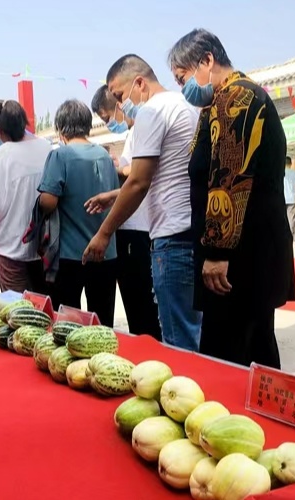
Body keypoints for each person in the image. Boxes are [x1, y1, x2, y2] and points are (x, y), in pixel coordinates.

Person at [168, 28, 295, 369]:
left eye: (182, 78)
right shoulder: (221, 102)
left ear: (207, 61)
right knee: (255, 351)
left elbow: (228, 178)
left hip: (239, 256)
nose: (183, 89)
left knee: (230, 354)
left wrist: (216, 252)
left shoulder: (236, 99)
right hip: (247, 251)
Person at [83, 54, 202, 349]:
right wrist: (113, 195)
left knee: (178, 340)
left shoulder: (152, 112)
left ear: (139, 83)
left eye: (120, 96)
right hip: (195, 232)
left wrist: (104, 233)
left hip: (171, 238)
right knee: (196, 332)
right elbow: (165, 174)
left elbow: (138, 181)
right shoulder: (188, 105)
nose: (121, 106)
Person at [87, 85, 161, 340]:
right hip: (139, 230)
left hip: (137, 231)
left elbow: (139, 178)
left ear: (118, 103)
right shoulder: (133, 131)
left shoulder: (143, 126)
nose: (109, 124)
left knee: (143, 310)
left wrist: (121, 170)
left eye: (107, 118)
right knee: (140, 309)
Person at [38, 99, 119, 326]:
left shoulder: (60, 156)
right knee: (102, 322)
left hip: (70, 254)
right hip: (105, 251)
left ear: (60, 128)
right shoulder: (104, 156)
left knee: (68, 323)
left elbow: (48, 202)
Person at [0, 100, 52, 294]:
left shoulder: (3, 153)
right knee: (43, 309)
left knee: (17, 313)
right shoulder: (47, 147)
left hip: (11, 248)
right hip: (43, 248)